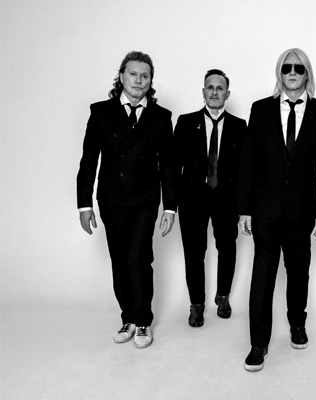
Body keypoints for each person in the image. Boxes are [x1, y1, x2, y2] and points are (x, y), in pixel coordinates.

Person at [238, 48, 316, 371]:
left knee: (298, 272)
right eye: (286, 68)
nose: (292, 73)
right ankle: (258, 343)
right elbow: (248, 162)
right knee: (262, 278)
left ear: (307, 73)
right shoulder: (260, 109)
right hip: (265, 210)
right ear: (279, 74)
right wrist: (244, 209)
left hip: (302, 211)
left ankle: (297, 323)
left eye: (298, 68)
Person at [77, 51, 177, 348]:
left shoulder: (161, 117)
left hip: (145, 199)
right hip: (111, 199)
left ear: (150, 81)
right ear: (121, 76)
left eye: (145, 76)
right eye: (133, 74)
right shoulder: (100, 112)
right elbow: (88, 161)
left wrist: (170, 207)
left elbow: (169, 166)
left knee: (139, 257)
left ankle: (143, 320)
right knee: (120, 258)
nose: (139, 80)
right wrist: (84, 204)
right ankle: (129, 317)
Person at [174, 69, 247, 327]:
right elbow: (173, 164)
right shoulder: (186, 122)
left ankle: (223, 296)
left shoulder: (240, 126)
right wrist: (174, 201)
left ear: (227, 93)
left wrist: (244, 206)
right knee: (194, 251)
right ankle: (196, 304)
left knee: (227, 248)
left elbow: (245, 169)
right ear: (203, 91)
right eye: (210, 87)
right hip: (192, 198)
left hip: (227, 198)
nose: (214, 92)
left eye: (220, 88)